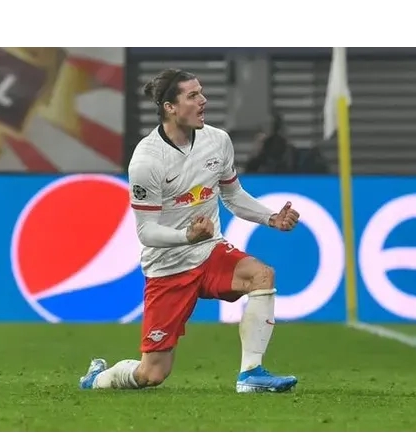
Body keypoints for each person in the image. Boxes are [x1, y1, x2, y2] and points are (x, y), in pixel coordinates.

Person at [78, 69, 300, 393]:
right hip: (168, 268)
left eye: (201, 93)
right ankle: (97, 379)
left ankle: (251, 374)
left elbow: (232, 195)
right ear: (170, 107)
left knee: (262, 275)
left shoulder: (217, 141)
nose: (203, 100)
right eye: (193, 95)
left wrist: (271, 218)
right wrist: (186, 236)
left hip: (209, 252)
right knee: (152, 374)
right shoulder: (147, 161)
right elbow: (146, 231)